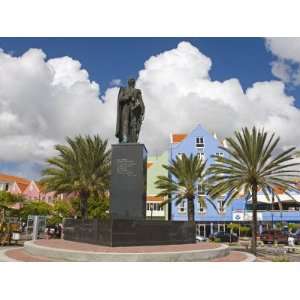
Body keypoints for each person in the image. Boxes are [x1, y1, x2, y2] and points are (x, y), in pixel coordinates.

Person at [115, 78, 145, 143]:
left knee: (133, 124)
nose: (132, 83)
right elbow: (120, 99)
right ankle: (125, 139)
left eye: (133, 82)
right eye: (131, 82)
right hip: (125, 108)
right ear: (128, 83)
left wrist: (142, 111)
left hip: (134, 109)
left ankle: (133, 140)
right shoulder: (123, 89)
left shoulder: (137, 91)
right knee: (125, 123)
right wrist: (127, 97)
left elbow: (141, 102)